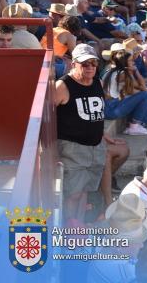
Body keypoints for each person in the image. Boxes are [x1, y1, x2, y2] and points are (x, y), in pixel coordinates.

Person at [54, 44, 106, 223]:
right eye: (85, 64)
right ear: (74, 64)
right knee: (72, 194)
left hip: (96, 148)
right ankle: (69, 229)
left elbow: (96, 114)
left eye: (93, 63)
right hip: (72, 150)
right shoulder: (62, 86)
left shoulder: (98, 82)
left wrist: (103, 136)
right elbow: (46, 118)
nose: (90, 67)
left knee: (85, 191)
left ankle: (79, 228)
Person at [102, 50, 147, 135]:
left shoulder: (110, 71)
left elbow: (132, 91)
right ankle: (135, 127)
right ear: (124, 62)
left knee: (143, 96)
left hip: (108, 106)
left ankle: (138, 125)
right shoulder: (122, 74)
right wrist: (136, 71)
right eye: (130, 60)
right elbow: (143, 88)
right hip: (111, 109)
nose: (133, 62)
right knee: (146, 96)